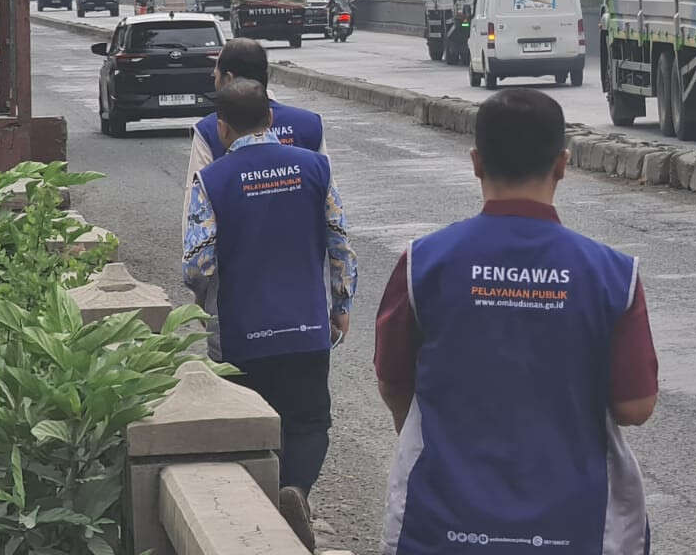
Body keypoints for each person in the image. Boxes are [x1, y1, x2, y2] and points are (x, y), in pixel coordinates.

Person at [373, 88, 657, 555]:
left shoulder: (422, 264)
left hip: (442, 527)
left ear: (476, 162)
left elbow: (392, 381)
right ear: (563, 165)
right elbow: (635, 407)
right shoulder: (613, 274)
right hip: (578, 527)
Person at [182, 79, 356, 551]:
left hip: (244, 328)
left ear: (222, 128)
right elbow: (340, 239)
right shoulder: (314, 166)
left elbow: (197, 263)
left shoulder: (212, 180)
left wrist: (204, 301)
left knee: (254, 425)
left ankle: (264, 515)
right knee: (309, 422)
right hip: (306, 325)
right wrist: (341, 305)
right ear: (272, 119)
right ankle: (296, 489)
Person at [182, 37, 324, 233]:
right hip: (305, 260)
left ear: (229, 79)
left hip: (236, 259)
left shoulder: (210, 130)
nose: (213, 78)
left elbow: (195, 215)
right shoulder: (309, 125)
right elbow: (329, 203)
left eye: (216, 74)